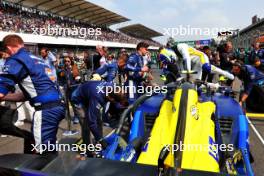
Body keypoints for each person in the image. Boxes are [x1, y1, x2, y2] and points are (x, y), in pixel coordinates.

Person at [0, 34, 65, 154]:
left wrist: (3, 95)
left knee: (42, 153)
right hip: (58, 107)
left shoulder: (16, 59)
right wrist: (6, 96)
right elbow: (26, 95)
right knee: (43, 144)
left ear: (8, 48)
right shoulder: (36, 58)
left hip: (46, 111)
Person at [71, 81, 128, 152]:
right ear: (111, 98)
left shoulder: (114, 87)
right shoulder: (98, 97)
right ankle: (89, 150)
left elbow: (116, 103)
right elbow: (91, 122)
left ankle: (99, 141)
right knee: (86, 125)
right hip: (78, 99)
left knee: (99, 121)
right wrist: (101, 140)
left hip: (89, 94)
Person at [58, 56, 81, 124]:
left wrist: (78, 78)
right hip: (66, 88)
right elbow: (61, 78)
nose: (67, 62)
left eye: (68, 61)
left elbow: (79, 78)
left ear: (71, 61)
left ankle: (77, 116)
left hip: (74, 88)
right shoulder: (63, 69)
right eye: (65, 61)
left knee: (74, 103)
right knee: (68, 103)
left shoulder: (74, 68)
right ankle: (71, 116)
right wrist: (61, 85)